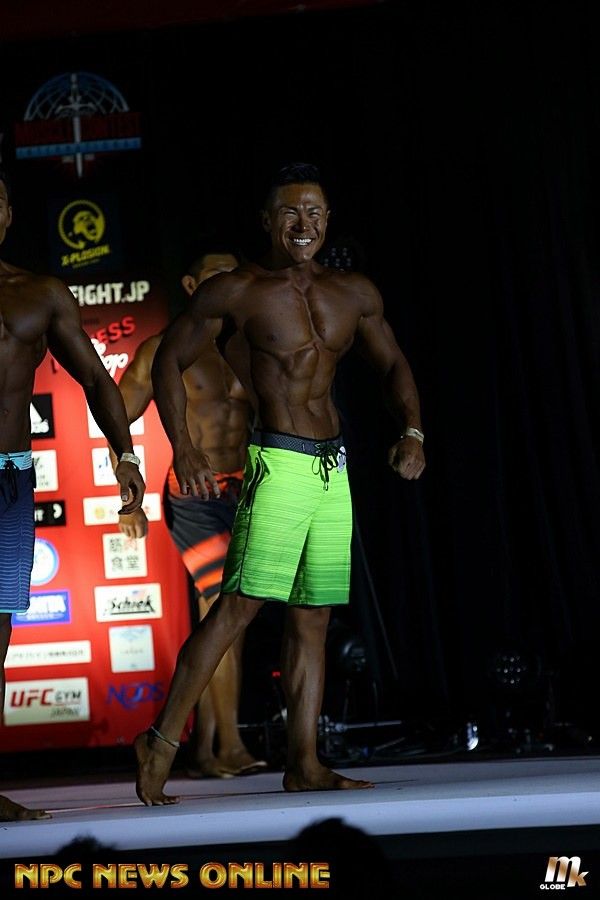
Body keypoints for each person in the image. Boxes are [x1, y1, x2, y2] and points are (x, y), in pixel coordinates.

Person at [134, 161, 425, 806]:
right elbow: (167, 362)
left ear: (328, 220)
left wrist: (412, 431)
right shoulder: (236, 291)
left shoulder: (353, 292)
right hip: (279, 461)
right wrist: (184, 447)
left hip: (331, 467)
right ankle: (159, 741)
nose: (304, 224)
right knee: (238, 605)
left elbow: (394, 363)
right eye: (291, 212)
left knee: (313, 618)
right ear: (267, 221)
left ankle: (305, 763)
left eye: (315, 212)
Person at [0, 168, 145, 821]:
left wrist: (124, 455)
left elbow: (93, 376)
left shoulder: (40, 293)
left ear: (8, 213)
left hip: (8, 479)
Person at [114, 246, 265, 777]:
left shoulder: (254, 344)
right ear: (190, 285)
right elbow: (117, 418)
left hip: (248, 491)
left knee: (227, 621)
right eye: (215, 276)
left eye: (233, 275)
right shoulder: (164, 349)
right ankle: (230, 746)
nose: (226, 284)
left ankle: (204, 747)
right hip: (193, 496)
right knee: (224, 610)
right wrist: (127, 497)